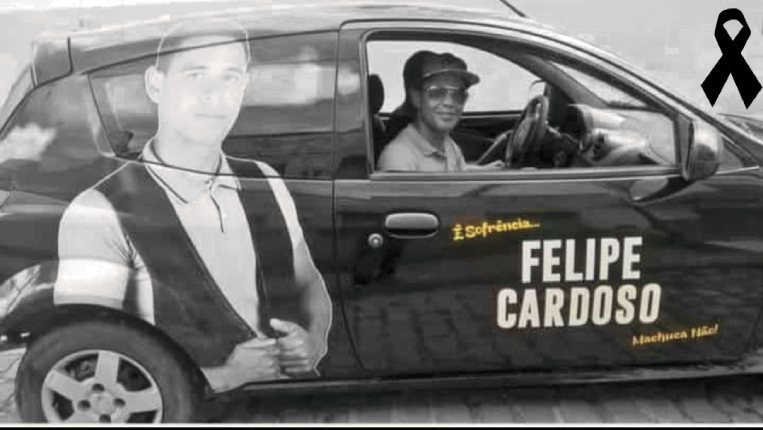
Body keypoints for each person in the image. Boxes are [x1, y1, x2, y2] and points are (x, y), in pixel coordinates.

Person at [53, 18, 332, 393]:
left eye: (229, 77)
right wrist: (226, 376)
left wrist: (314, 340)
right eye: (195, 75)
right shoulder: (99, 210)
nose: (214, 94)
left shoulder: (264, 179)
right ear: (155, 84)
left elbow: (309, 279)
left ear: (244, 86)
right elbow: (85, 355)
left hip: (290, 404)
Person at [378, 51, 505, 172]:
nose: (449, 102)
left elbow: (458, 172)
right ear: (416, 97)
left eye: (458, 94)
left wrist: (485, 171)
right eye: (436, 92)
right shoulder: (398, 159)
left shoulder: (448, 145)